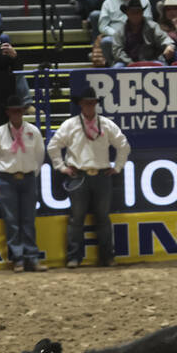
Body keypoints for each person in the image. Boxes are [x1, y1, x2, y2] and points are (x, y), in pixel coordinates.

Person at [47, 87, 131, 269]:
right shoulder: (70, 125)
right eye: (86, 103)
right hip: (79, 175)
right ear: (80, 104)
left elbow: (123, 145)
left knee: (102, 217)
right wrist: (61, 167)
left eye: (92, 103)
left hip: (101, 175)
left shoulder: (106, 124)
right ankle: (74, 257)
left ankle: (107, 257)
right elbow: (53, 146)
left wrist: (117, 167)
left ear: (96, 104)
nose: (89, 106)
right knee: (76, 218)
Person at [0, 97, 47, 272]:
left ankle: (32, 258)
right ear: (8, 113)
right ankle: (18, 259)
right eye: (13, 111)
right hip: (7, 179)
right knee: (12, 220)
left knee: (29, 218)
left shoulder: (33, 131)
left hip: (27, 178)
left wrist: (31, 173)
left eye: (19, 110)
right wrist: (2, 175)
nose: (16, 114)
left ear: (23, 112)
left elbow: (39, 155)